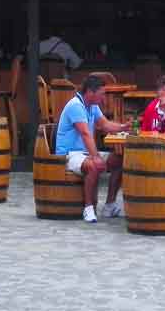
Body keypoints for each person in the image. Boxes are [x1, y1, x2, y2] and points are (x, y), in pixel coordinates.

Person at [55, 75, 131, 223]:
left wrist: (123, 127)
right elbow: (85, 133)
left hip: (84, 153)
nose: (104, 98)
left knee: (119, 160)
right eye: (102, 94)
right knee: (93, 165)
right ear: (90, 92)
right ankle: (88, 208)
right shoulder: (75, 105)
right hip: (69, 154)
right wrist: (95, 156)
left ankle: (109, 205)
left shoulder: (92, 106)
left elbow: (105, 125)